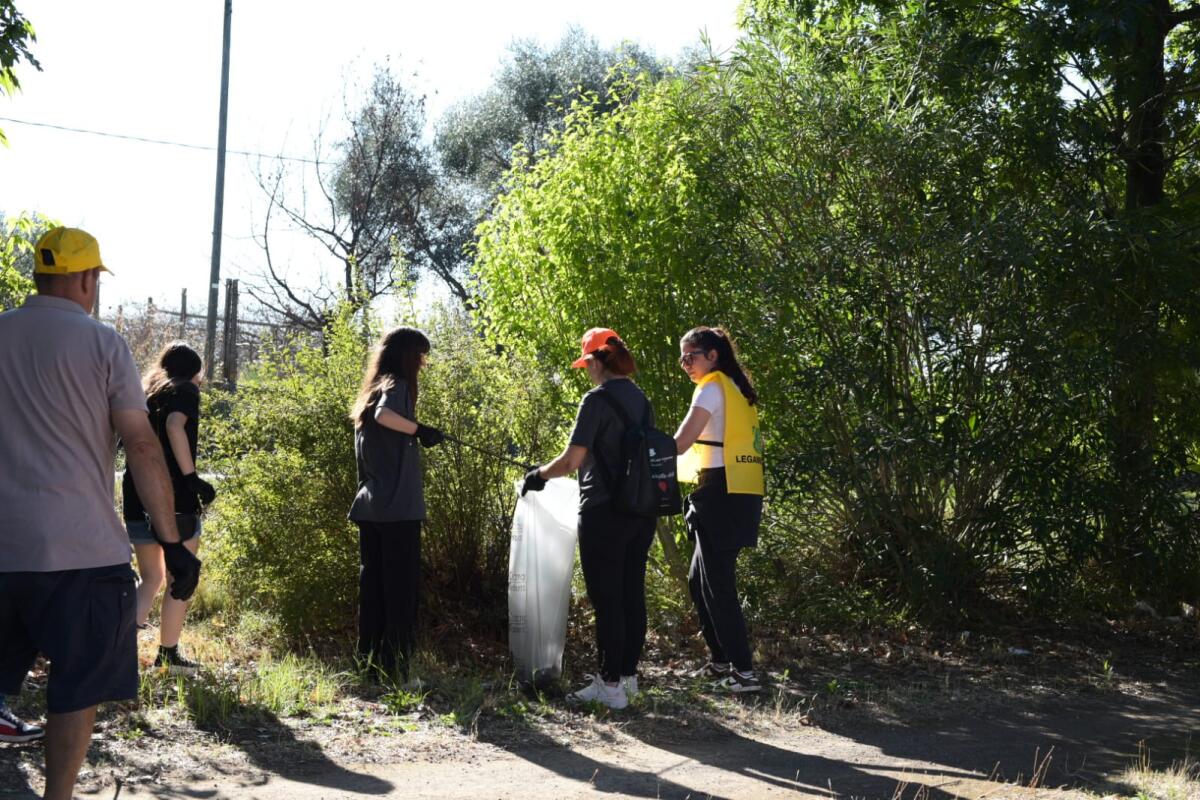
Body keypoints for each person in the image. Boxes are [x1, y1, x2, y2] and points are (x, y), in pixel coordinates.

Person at [0, 227, 200, 800]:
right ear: (87, 278)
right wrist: (172, 543)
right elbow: (141, 445)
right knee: (75, 690)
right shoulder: (104, 344)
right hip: (82, 552)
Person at [522, 327, 656, 711]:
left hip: (603, 512)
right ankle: (627, 679)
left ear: (598, 362)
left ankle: (609, 686)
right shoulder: (642, 399)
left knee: (607, 598)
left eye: (587, 365)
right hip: (641, 511)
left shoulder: (595, 400)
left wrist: (539, 475)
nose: (587, 372)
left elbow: (571, 460)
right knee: (631, 594)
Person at [348, 327, 445, 682]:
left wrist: (416, 430)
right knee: (401, 593)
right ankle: (397, 672)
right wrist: (420, 430)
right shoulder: (396, 387)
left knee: (373, 591)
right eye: (420, 356)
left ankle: (369, 665)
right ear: (407, 355)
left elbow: (379, 418)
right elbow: (385, 416)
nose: (422, 363)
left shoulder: (370, 392)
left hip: (371, 508)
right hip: (399, 510)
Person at [673, 326, 765, 693]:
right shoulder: (734, 386)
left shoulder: (712, 387)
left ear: (713, 356)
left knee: (718, 585)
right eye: (681, 358)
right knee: (700, 580)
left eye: (690, 356)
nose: (685, 364)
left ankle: (743, 672)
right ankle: (721, 662)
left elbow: (681, 442)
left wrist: (639, 447)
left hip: (722, 491)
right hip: (738, 488)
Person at [122, 342, 216, 676]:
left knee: (151, 578)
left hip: (137, 494)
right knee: (181, 577)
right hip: (174, 498)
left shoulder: (148, 393)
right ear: (196, 370)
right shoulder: (186, 389)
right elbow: (176, 425)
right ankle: (169, 656)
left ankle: (116, 654)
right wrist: (191, 478)